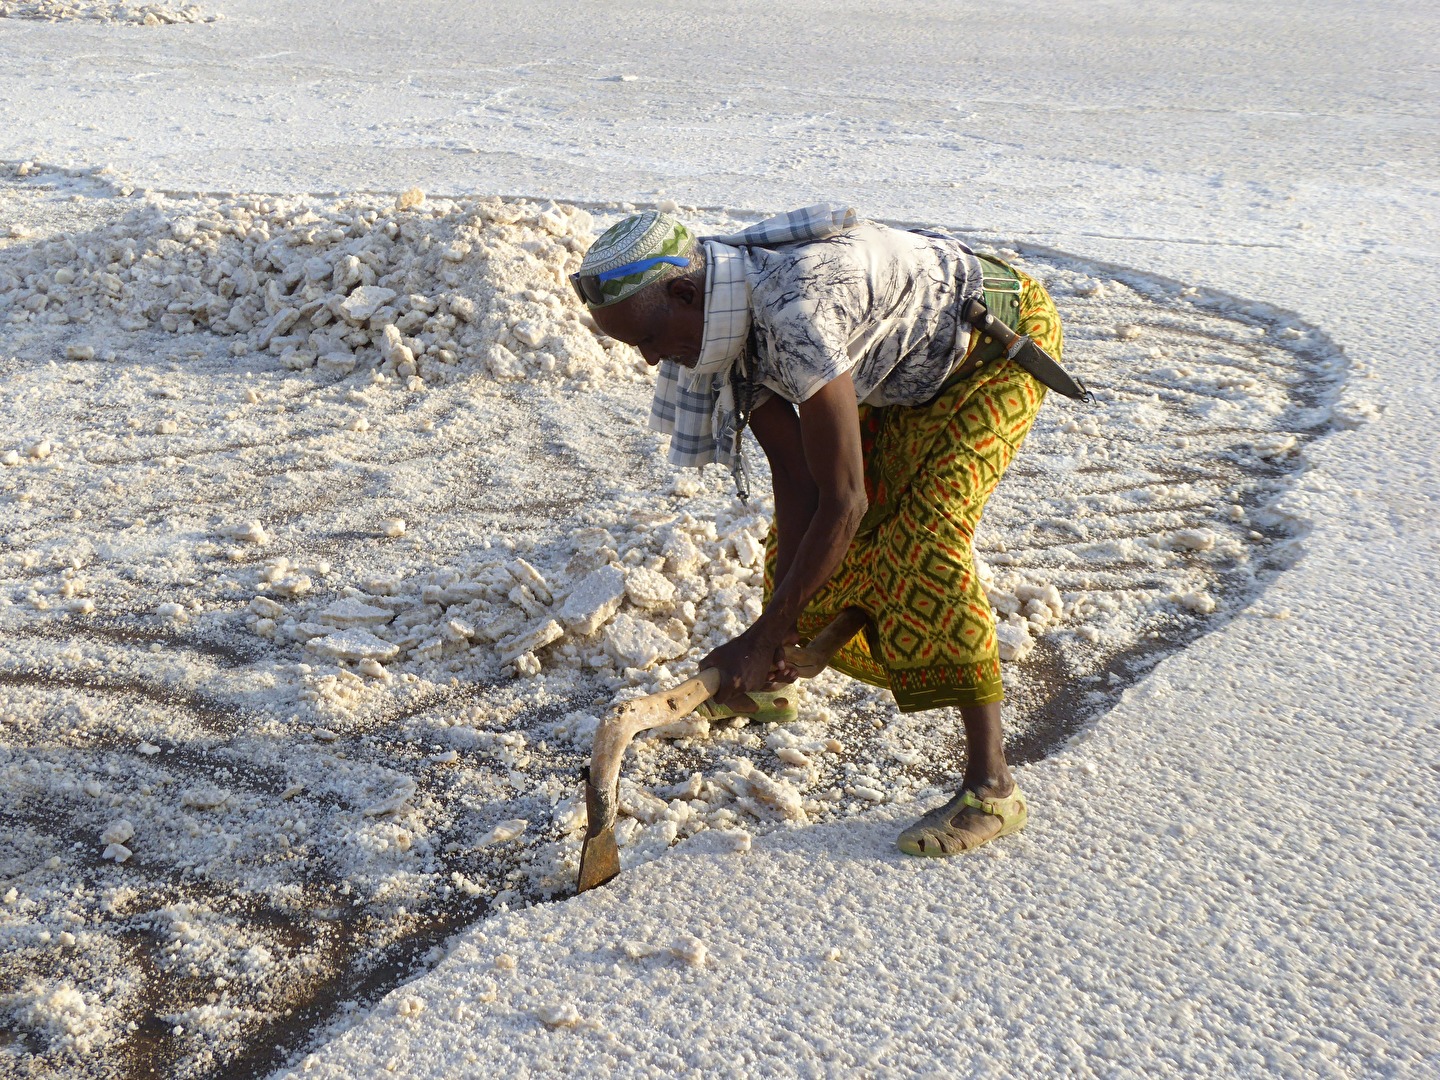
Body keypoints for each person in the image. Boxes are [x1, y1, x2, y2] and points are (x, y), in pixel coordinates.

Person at [570, 205, 1064, 856]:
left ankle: (992, 786)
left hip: (990, 349)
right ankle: (769, 683)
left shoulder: (798, 314)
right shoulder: (726, 323)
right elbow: (801, 483)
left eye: (649, 338)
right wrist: (763, 644)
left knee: (923, 538)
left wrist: (765, 630)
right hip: (896, 367)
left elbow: (845, 500)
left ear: (687, 294)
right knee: (798, 537)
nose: (650, 359)